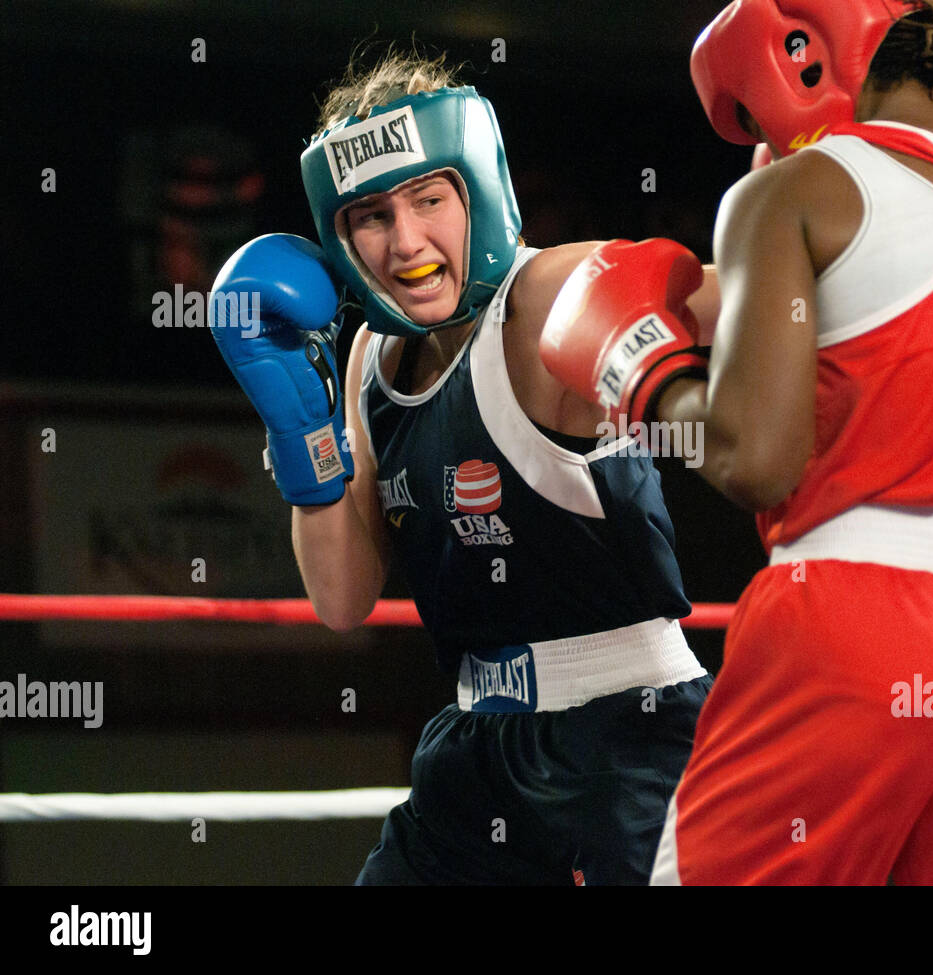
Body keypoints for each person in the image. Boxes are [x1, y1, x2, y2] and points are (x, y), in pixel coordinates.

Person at [540, 0, 933, 884]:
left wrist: (640, 373)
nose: (764, 141)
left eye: (755, 113)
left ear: (805, 58)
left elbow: (755, 459)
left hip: (856, 623)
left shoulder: (797, 191)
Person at [208, 53, 716, 885]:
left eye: (428, 199)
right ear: (339, 237)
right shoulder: (371, 353)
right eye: (371, 215)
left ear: (477, 189)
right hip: (475, 746)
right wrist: (295, 421)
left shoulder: (546, 296)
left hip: (627, 741)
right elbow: (341, 600)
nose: (405, 241)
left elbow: (734, 300)